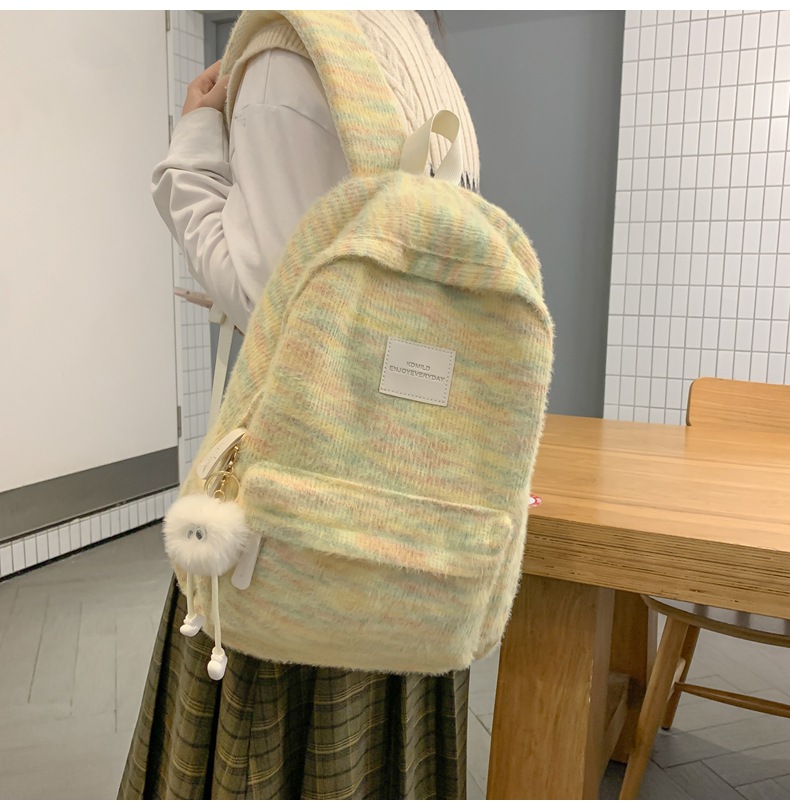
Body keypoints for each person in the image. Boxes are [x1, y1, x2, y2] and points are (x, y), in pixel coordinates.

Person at [118, 11, 481, 800]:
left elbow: (274, 301)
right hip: (409, 478)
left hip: (302, 498)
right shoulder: (414, 46)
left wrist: (193, 147)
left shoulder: (287, 56)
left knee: (276, 732)